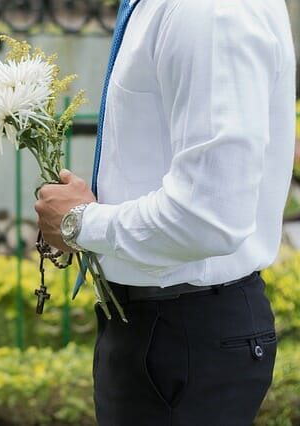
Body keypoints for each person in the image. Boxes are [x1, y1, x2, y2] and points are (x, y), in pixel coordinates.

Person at [34, 0, 296, 424]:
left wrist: (81, 222)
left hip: (183, 335)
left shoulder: (208, 12)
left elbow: (207, 218)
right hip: (157, 327)